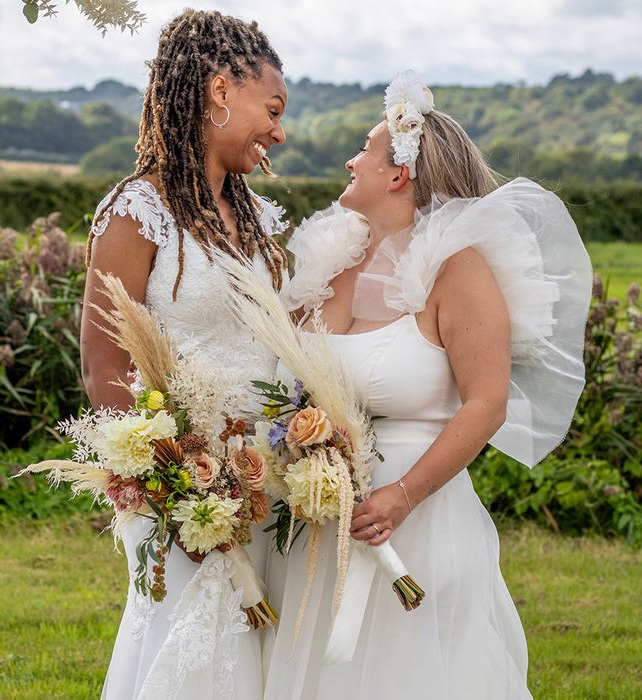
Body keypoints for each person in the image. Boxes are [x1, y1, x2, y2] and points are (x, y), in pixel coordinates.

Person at [263, 70, 592, 699]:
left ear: (398, 175)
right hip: (317, 522)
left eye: (365, 148)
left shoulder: (458, 272)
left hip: (419, 520)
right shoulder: (328, 264)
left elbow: (487, 402)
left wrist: (403, 497)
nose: (349, 160)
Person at [80, 10, 288, 699]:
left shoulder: (263, 220)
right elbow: (104, 366)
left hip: (263, 485)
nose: (280, 133)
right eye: (273, 108)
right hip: (181, 488)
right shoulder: (137, 211)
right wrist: (167, 480)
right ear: (221, 91)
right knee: (191, 653)